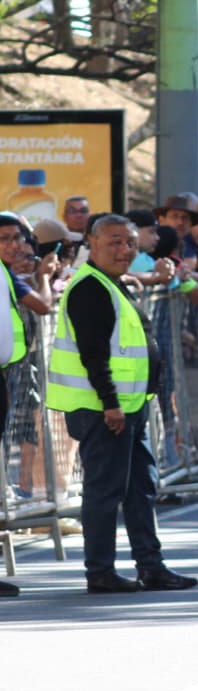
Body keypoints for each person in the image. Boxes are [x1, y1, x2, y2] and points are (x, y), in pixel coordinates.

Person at [46, 215, 198, 593]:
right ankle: (100, 571)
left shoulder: (112, 283)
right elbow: (93, 353)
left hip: (129, 408)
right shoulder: (90, 288)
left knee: (140, 488)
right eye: (114, 241)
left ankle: (151, 566)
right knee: (105, 492)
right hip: (105, 410)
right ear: (92, 243)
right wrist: (110, 404)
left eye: (130, 242)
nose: (124, 250)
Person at [0, 215, 56, 597]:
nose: (12, 245)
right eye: (4, 239)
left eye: (16, 237)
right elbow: (43, 303)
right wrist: (45, 277)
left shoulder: (6, 274)